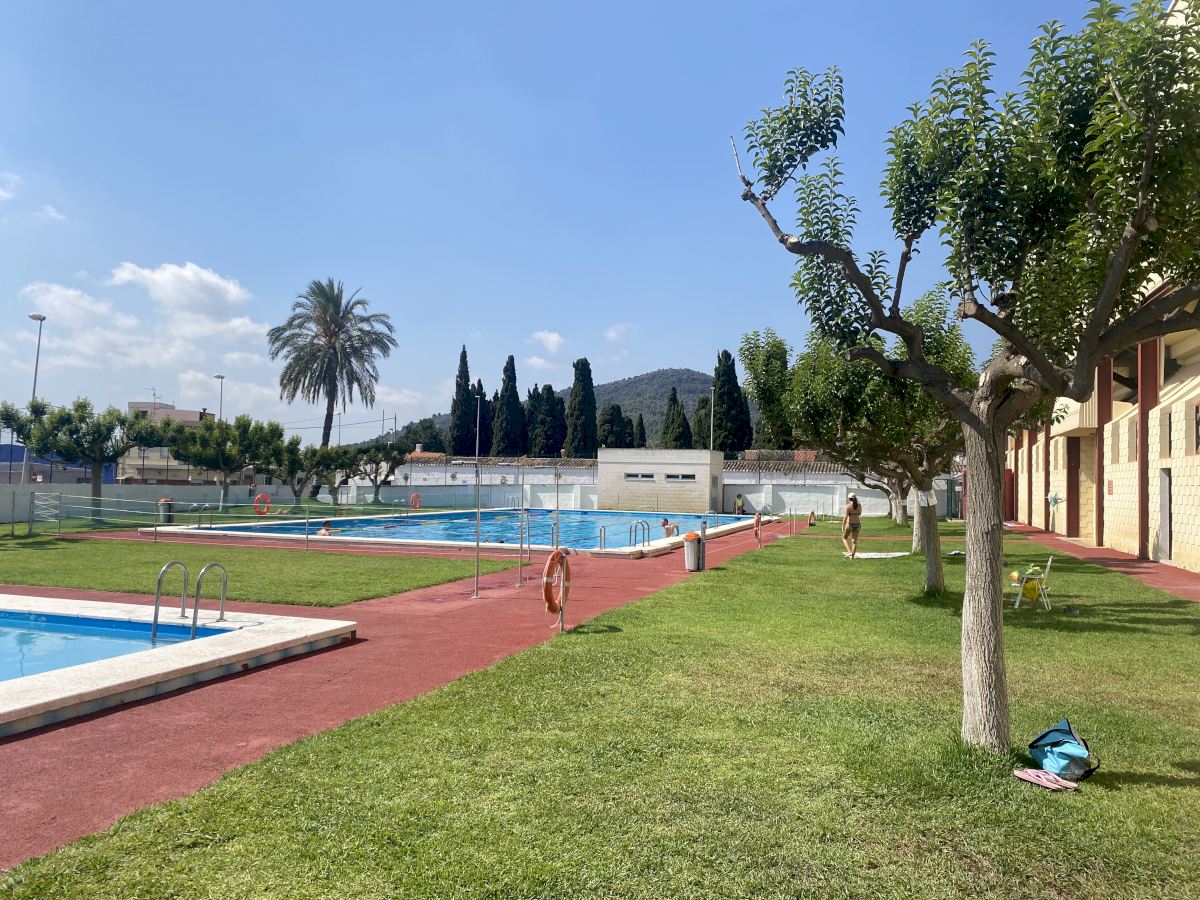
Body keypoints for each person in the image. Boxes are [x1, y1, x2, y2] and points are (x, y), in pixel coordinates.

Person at [842, 493, 862, 559]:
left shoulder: (848, 506)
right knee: (854, 541)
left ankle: (849, 552)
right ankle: (852, 557)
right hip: (858, 524)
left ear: (849, 499)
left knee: (844, 538)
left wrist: (843, 525)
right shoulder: (859, 506)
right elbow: (859, 514)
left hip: (850, 524)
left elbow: (845, 517)